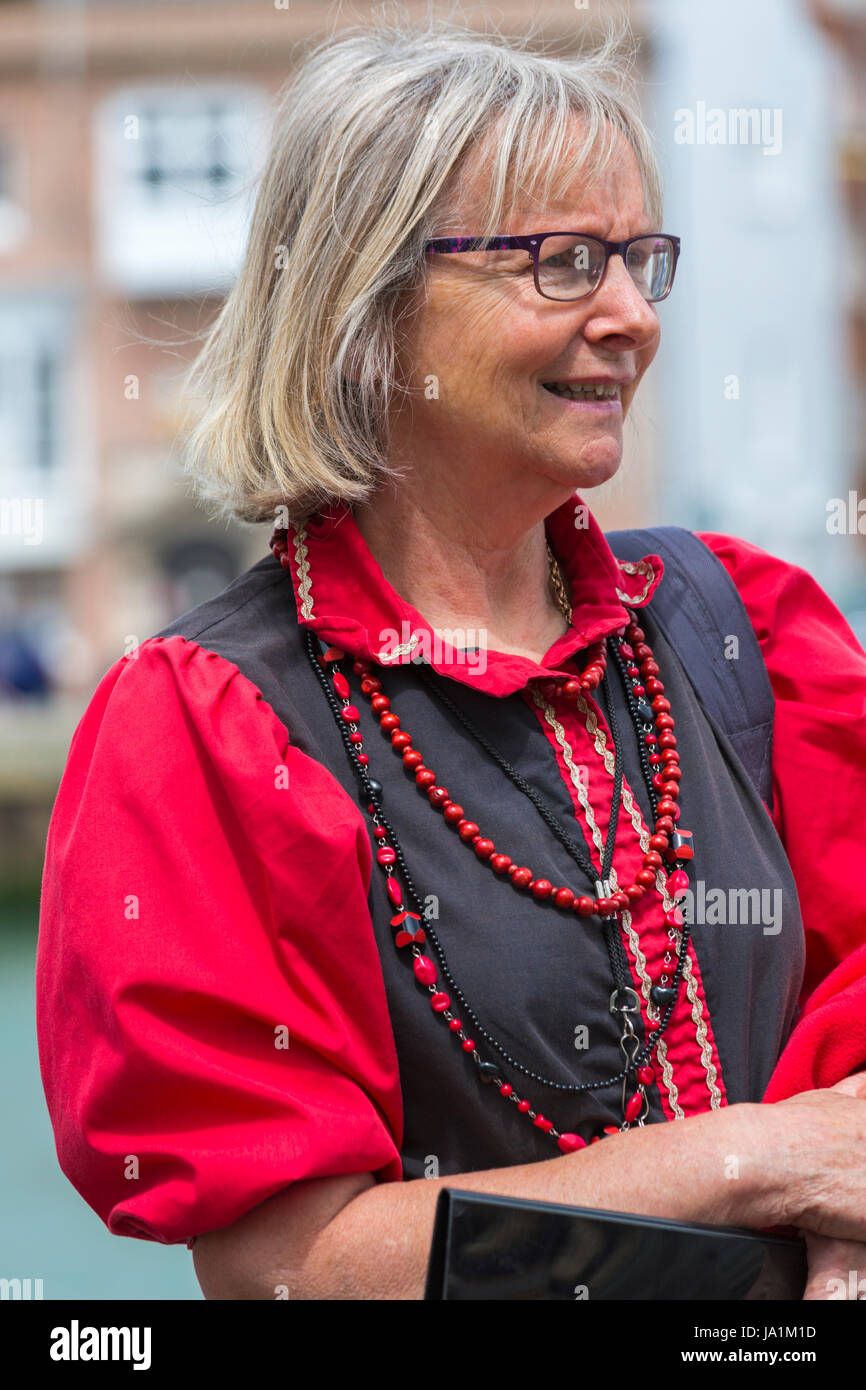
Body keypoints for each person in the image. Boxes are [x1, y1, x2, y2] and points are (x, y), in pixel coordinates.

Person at [36, 14, 866, 1301]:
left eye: (641, 257)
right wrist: (760, 1160)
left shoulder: (738, 622)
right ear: (367, 297)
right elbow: (284, 1269)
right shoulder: (210, 720)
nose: (633, 316)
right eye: (565, 261)